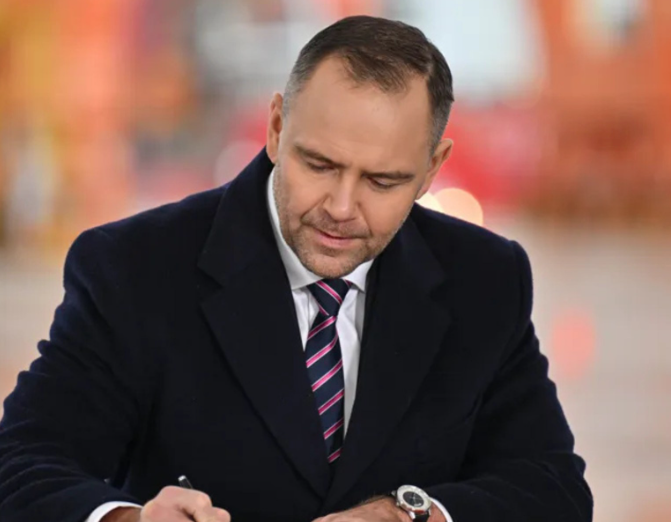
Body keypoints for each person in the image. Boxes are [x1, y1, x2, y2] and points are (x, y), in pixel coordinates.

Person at [0, 15, 592, 522]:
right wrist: (128, 519)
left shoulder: (485, 279)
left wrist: (413, 513)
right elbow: (21, 464)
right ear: (277, 128)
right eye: (319, 165)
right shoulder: (133, 268)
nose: (341, 207)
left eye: (382, 181)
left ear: (432, 168)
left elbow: (552, 487)